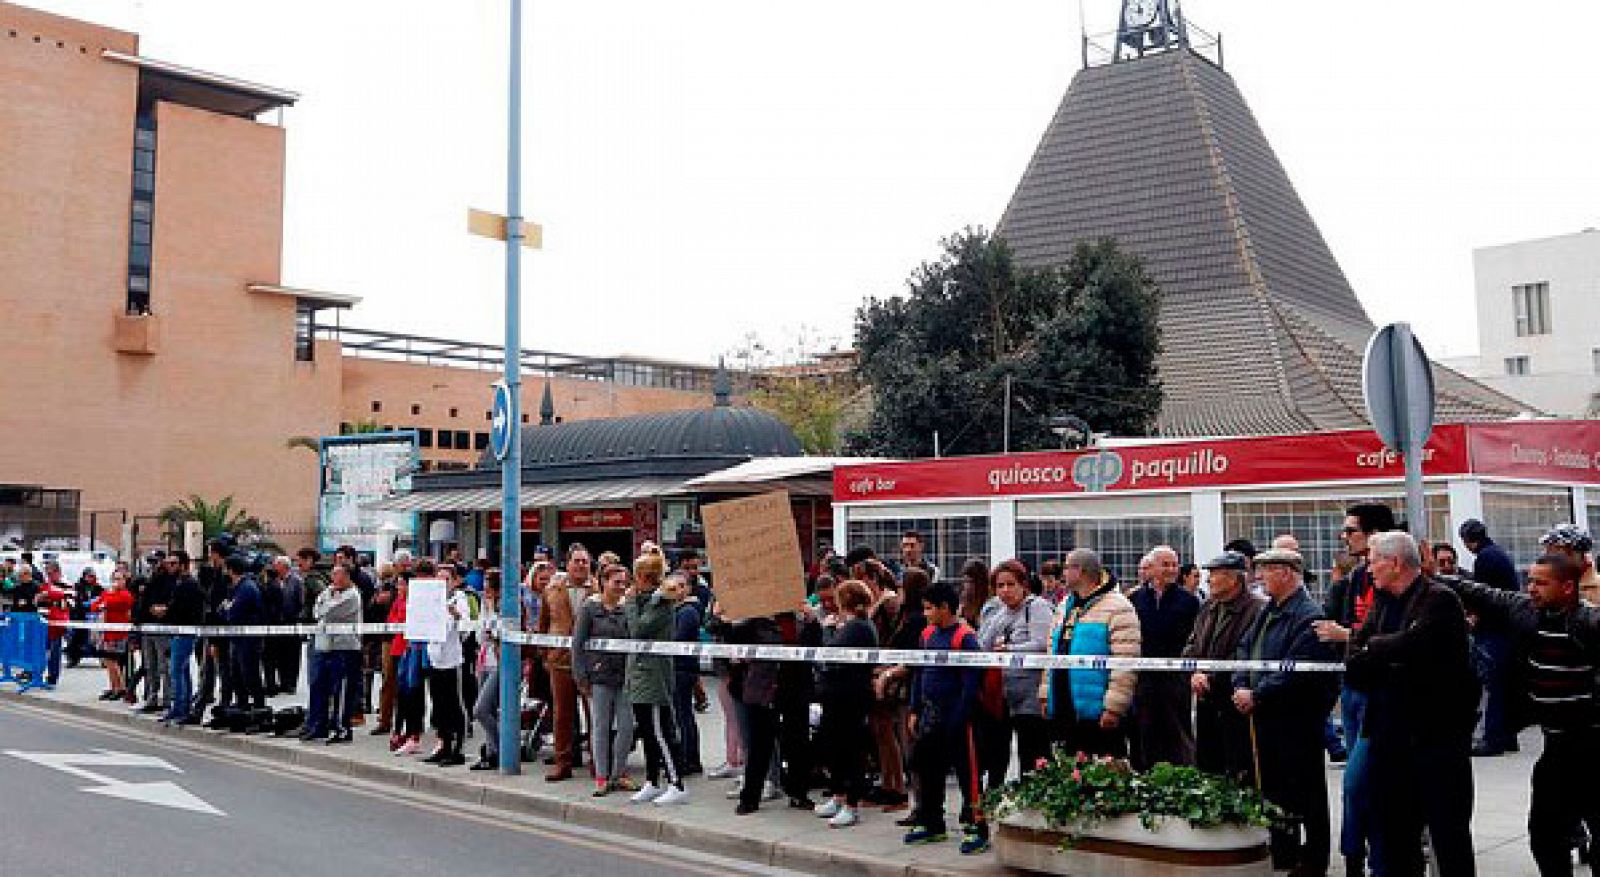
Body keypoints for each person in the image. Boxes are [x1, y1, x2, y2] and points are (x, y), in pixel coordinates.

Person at [1441, 549, 1600, 876]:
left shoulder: (1589, 622)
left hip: (1593, 745)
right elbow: (1483, 593)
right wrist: (1428, 576)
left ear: (1568, 587)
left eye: (1541, 583)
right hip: (1556, 747)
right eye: (1529, 581)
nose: (1531, 588)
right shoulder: (1526, 611)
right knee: (1544, 834)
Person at [1344, 531, 1478, 877]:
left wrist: (1379, 649)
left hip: (1436, 743)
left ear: (1395, 563)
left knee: (1449, 838)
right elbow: (1356, 661)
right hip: (1388, 741)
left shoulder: (1440, 600)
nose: (1369, 569)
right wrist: (1384, 650)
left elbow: (1417, 647)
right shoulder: (1382, 602)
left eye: (1373, 562)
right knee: (1394, 838)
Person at [1231, 548, 1339, 876]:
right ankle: (1284, 851)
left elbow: (1296, 671)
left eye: (1266, 570)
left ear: (1288, 573)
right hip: (1267, 715)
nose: (1260, 577)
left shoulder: (1307, 614)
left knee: (1306, 791)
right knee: (1275, 788)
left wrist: (1258, 693)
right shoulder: (1269, 611)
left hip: (1296, 718)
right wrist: (1239, 684)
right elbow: (1245, 647)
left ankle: (1314, 858)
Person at [904, 580, 988, 855]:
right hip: (930, 715)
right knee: (928, 770)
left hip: (959, 717)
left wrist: (960, 718)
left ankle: (977, 826)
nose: (926, 614)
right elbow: (919, 673)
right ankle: (932, 821)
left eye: (929, 608)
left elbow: (972, 683)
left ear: (944, 608)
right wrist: (915, 709)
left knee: (968, 774)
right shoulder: (927, 634)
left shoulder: (965, 637)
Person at [1039, 548, 1140, 758]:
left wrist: (1114, 706)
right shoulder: (1064, 606)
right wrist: (1046, 694)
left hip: (1098, 709)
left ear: (1081, 571)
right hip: (1066, 706)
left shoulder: (1119, 608)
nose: (1063, 573)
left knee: (1106, 772)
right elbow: (1052, 651)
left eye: (1066, 567)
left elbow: (1125, 661)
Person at [1182, 551, 1265, 781]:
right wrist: (1196, 672)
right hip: (1206, 700)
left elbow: (1244, 652)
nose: (1208, 580)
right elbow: (1192, 644)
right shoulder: (1208, 608)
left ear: (1234, 579)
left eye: (1215, 574)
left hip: (1236, 702)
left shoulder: (1256, 610)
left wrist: (1211, 677)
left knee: (1239, 768)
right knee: (1208, 768)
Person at [974, 559, 1054, 787]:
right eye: (1000, 586)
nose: (1005, 591)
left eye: (1011, 584)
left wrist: (1010, 649)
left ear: (1023, 584)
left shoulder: (1036, 607)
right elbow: (982, 644)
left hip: (1031, 697)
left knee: (1032, 752)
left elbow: (1042, 643)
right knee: (996, 753)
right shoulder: (997, 613)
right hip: (1002, 697)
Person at [814, 579, 879, 829]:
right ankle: (839, 795)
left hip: (849, 696)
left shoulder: (858, 627)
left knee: (850, 750)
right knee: (835, 747)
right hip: (837, 696)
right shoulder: (852, 625)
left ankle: (851, 803)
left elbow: (830, 655)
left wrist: (828, 631)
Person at [626, 559, 690, 805]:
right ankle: (652, 781)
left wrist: (631, 603)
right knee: (647, 732)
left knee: (661, 732)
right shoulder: (648, 601)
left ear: (645, 577)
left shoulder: (661, 603)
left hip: (653, 676)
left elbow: (638, 629)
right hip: (639, 674)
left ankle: (677, 783)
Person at [1128, 545, 1199, 769]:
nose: (1170, 569)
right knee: (1144, 728)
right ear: (1151, 568)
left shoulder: (1189, 601)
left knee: (1177, 729)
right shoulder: (1136, 599)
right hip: (1144, 676)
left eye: (1174, 565)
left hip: (1175, 676)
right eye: (1165, 564)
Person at [572, 563, 637, 792]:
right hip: (599, 676)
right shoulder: (589, 608)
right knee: (600, 726)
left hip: (624, 676)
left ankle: (618, 773)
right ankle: (601, 775)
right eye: (616, 582)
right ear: (603, 582)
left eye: (624, 582)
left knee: (627, 726)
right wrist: (581, 675)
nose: (621, 586)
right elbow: (577, 644)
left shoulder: (628, 608)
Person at [1459, 517, 1521, 757]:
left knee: (1492, 684)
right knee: (1503, 684)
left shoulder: (1485, 558)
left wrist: (1473, 617)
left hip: (1494, 629)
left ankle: (1493, 738)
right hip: (1506, 627)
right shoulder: (1497, 554)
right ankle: (1507, 736)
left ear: (1468, 541)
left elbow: (1482, 594)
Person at [536, 544, 595, 781]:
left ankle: (597, 761)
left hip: (591, 663)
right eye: (577, 561)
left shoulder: (599, 589)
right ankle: (563, 762)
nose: (581, 565)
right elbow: (543, 624)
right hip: (559, 661)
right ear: (567, 564)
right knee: (562, 714)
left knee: (595, 716)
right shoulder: (552, 590)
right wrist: (544, 652)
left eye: (585, 561)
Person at [302, 563, 362, 744]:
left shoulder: (352, 596)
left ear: (346, 576)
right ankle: (318, 727)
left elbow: (329, 612)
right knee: (320, 687)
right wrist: (327, 599)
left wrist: (325, 603)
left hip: (345, 648)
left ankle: (342, 729)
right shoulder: (329, 591)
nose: (333, 579)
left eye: (337, 575)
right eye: (333, 575)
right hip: (326, 646)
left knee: (341, 692)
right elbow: (317, 610)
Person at [220, 554, 267, 717]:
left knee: (250, 673)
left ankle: (259, 706)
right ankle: (242, 705)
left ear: (231, 569)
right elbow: (224, 608)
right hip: (237, 638)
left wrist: (227, 609)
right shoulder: (235, 587)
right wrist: (226, 608)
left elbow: (233, 612)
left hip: (249, 639)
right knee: (237, 674)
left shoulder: (247, 588)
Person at [670, 566, 706, 776]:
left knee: (683, 716)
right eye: (675, 586)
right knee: (683, 715)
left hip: (683, 668)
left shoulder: (688, 611)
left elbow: (678, 639)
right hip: (681, 668)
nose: (679, 590)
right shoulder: (677, 609)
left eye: (682, 586)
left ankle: (688, 759)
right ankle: (690, 758)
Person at [164, 552, 204, 724]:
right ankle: (182, 706)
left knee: (176, 670)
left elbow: (185, 609)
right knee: (182, 670)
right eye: (168, 563)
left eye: (173, 563)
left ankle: (180, 707)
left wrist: (167, 611)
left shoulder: (188, 585)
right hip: (179, 631)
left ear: (183, 564)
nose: (169, 567)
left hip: (185, 632)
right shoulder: (179, 583)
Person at [90, 570, 135, 701]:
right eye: (114, 579)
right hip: (106, 632)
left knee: (113, 661)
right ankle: (113, 687)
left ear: (124, 581)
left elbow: (114, 603)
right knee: (108, 661)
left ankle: (120, 688)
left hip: (118, 633)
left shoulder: (126, 595)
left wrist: (106, 602)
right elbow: (95, 606)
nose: (116, 582)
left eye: (119, 579)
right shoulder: (107, 593)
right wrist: (104, 603)